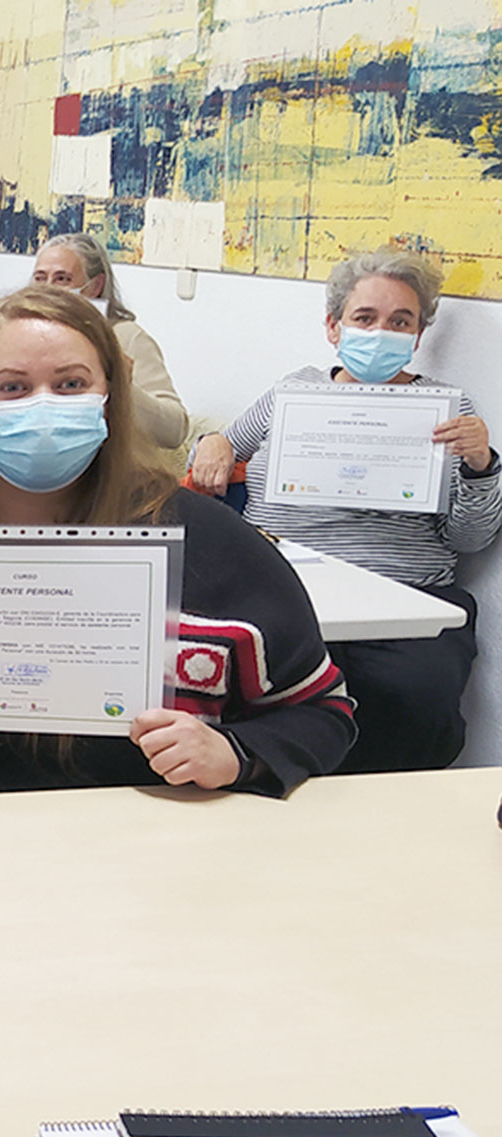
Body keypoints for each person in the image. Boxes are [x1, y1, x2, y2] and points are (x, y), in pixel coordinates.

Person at [0, 285, 356, 820]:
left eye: (71, 385)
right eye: (13, 387)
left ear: (109, 398)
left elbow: (321, 711)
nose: (42, 405)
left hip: (148, 856)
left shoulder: (214, 545)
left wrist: (234, 754)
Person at [187, 247, 497, 772]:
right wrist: (212, 441)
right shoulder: (292, 393)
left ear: (419, 335)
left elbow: (470, 539)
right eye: (364, 318)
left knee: (416, 699)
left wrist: (481, 465)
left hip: (406, 599)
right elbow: (218, 455)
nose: (382, 332)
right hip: (285, 586)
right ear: (333, 327)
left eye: (401, 321)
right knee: (254, 690)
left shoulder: (449, 408)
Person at [0, 232, 190, 453]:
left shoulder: (125, 337)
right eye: (40, 278)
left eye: (62, 279)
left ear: (95, 286)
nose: (48, 290)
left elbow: (174, 431)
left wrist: (120, 386)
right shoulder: (12, 340)